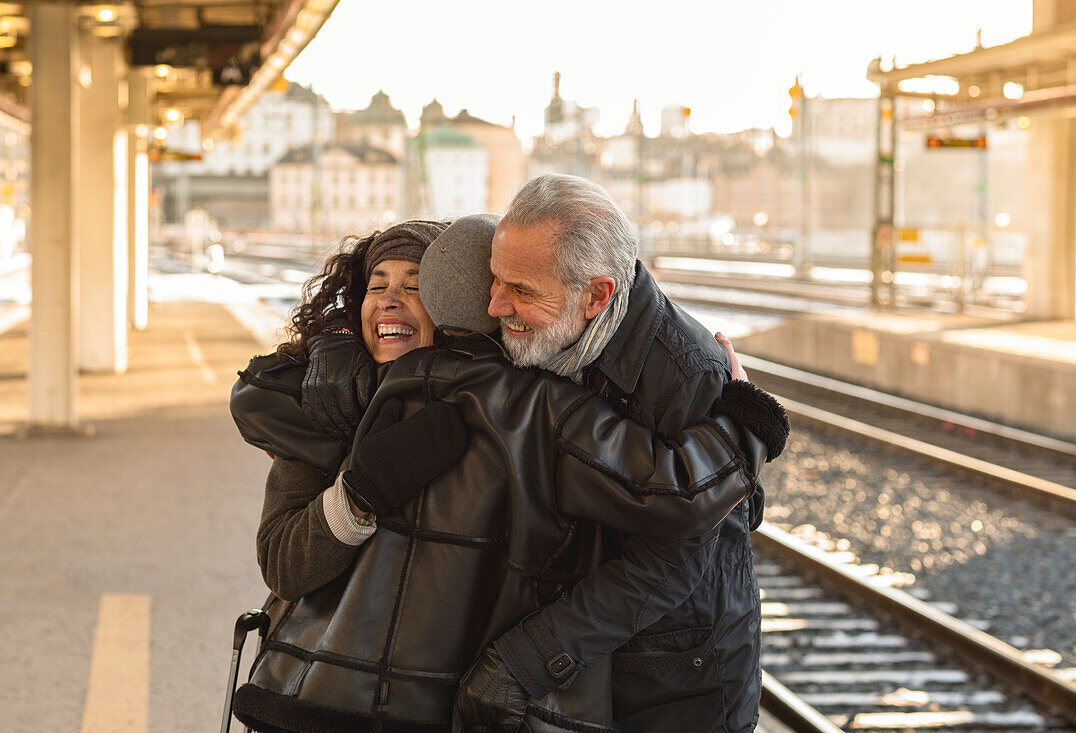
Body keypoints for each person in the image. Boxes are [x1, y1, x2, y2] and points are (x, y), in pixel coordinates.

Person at [229, 214, 788, 732]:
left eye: (417, 286)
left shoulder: (524, 407)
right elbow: (283, 566)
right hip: (317, 699)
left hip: (453, 707)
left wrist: (744, 422)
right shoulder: (322, 408)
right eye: (376, 286)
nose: (390, 302)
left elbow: (669, 500)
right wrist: (358, 496)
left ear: (458, 306)